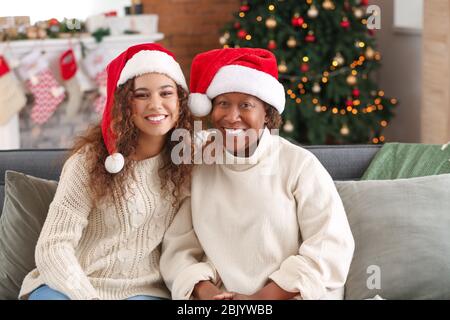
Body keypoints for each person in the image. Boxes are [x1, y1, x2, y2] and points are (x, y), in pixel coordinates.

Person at [160, 47, 355, 300]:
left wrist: (259, 300)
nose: (232, 117)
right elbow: (179, 248)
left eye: (246, 105)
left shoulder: (299, 165)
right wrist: (207, 293)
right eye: (223, 104)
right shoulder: (199, 164)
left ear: (267, 114)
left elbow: (330, 247)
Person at [19, 43, 192, 300]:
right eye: (141, 95)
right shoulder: (89, 162)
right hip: (72, 285)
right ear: (124, 105)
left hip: (143, 292)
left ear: (180, 103)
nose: (156, 105)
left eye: (166, 93)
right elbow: (53, 246)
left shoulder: (188, 162)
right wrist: (86, 297)